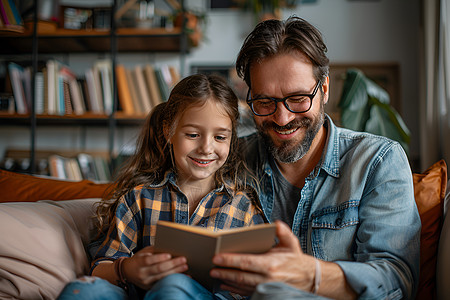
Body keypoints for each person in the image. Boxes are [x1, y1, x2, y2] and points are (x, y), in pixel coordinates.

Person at [208, 16, 421, 300]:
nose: (282, 118)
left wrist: (310, 276)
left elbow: (395, 280)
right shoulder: (229, 158)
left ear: (324, 89)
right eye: (264, 102)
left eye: (297, 99)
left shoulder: (378, 161)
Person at [57, 74, 266, 300]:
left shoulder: (243, 206)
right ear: (169, 132)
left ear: (232, 138)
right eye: (193, 135)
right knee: (83, 289)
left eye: (220, 137)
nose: (207, 148)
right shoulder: (139, 199)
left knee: (174, 286)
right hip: (140, 294)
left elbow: (264, 279)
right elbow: (100, 268)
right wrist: (127, 269)